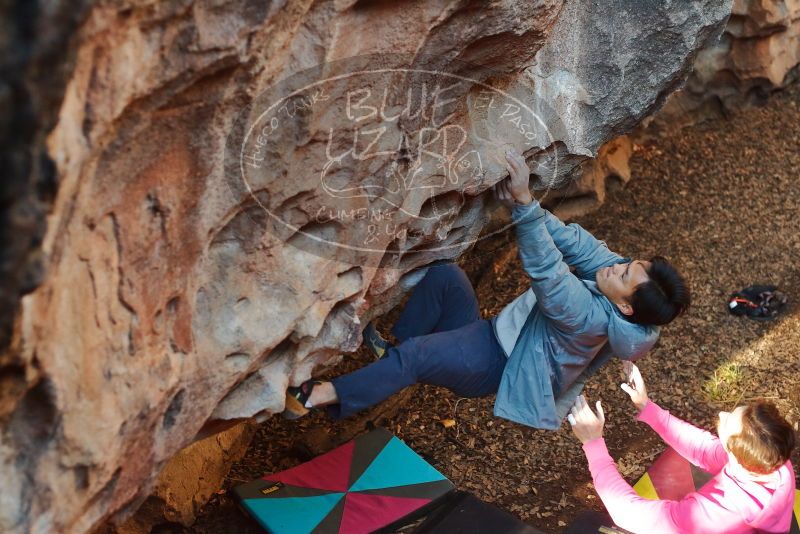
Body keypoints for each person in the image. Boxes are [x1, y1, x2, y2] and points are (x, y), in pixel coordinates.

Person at [283, 150, 690, 429]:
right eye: (626, 264)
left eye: (624, 275)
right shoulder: (617, 289)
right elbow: (572, 242)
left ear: (627, 309)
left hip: (494, 362)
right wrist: (523, 202)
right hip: (488, 334)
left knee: (417, 357)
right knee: (446, 278)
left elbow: (549, 272)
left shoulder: (589, 317)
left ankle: (317, 396)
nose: (616, 266)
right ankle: (393, 359)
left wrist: (526, 205)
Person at [568, 363, 797, 534]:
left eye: (727, 423)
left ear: (736, 456)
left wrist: (593, 443)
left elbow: (629, 513)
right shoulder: (772, 460)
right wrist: (648, 408)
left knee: (583, 526)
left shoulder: (709, 515)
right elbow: (703, 449)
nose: (721, 415)